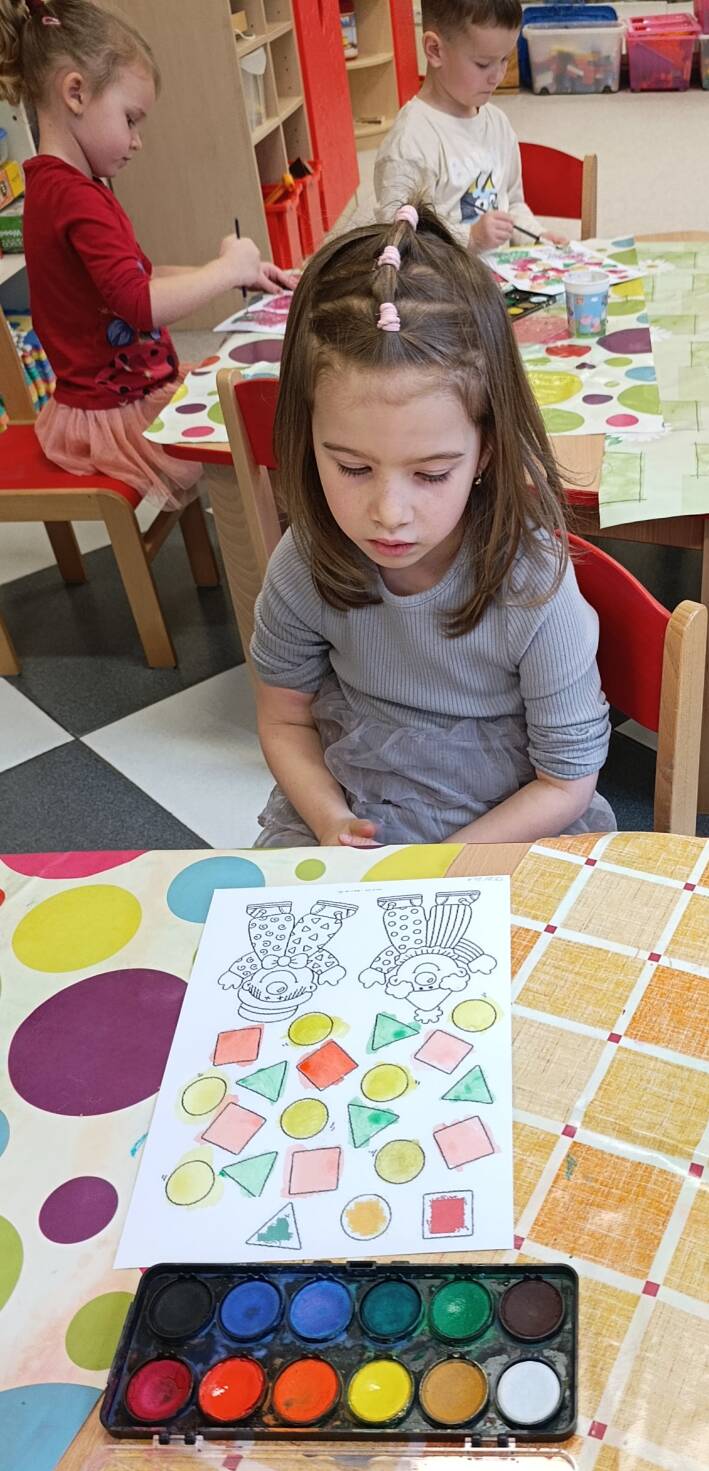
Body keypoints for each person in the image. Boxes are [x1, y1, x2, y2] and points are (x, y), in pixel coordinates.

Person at [250, 203, 615, 849]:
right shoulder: (304, 562)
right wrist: (330, 819)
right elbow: (283, 721)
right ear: (308, 440)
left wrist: (440, 866)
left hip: (507, 822)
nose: (389, 512)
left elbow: (565, 782)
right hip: (355, 800)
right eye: (353, 467)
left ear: (487, 451)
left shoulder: (535, 589)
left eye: (431, 474)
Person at [0, 0, 296, 510]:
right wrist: (226, 268)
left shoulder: (65, 186)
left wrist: (231, 275)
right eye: (131, 119)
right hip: (116, 412)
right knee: (255, 428)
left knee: (250, 405)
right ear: (76, 93)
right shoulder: (73, 196)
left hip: (122, 393)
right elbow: (140, 304)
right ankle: (273, 543)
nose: (137, 141)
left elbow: (137, 277)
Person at [374, 0, 559, 252]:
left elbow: (512, 205)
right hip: (442, 276)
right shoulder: (409, 144)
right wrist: (470, 238)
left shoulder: (498, 124)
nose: (497, 76)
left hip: (501, 273)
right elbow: (398, 241)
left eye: (504, 59)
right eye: (483, 64)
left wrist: (538, 236)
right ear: (434, 50)